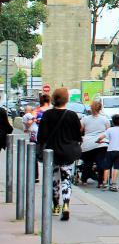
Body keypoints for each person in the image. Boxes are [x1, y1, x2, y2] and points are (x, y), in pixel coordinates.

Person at [36, 88, 82, 221]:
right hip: (68, 152)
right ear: (66, 99)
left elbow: (42, 136)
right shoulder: (72, 115)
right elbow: (78, 136)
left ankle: (56, 205)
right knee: (66, 178)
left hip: (52, 152)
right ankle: (66, 205)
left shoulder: (48, 114)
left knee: (54, 179)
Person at [79, 101, 110, 188]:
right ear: (100, 109)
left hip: (88, 144)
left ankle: (84, 179)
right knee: (100, 163)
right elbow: (108, 132)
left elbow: (80, 130)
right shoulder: (105, 119)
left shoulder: (85, 119)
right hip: (101, 144)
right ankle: (100, 182)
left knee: (88, 163)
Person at [99, 114, 119, 192]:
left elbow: (102, 136)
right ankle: (114, 184)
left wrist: (98, 140)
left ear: (113, 122)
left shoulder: (109, 130)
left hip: (110, 150)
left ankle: (105, 183)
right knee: (116, 167)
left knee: (107, 167)